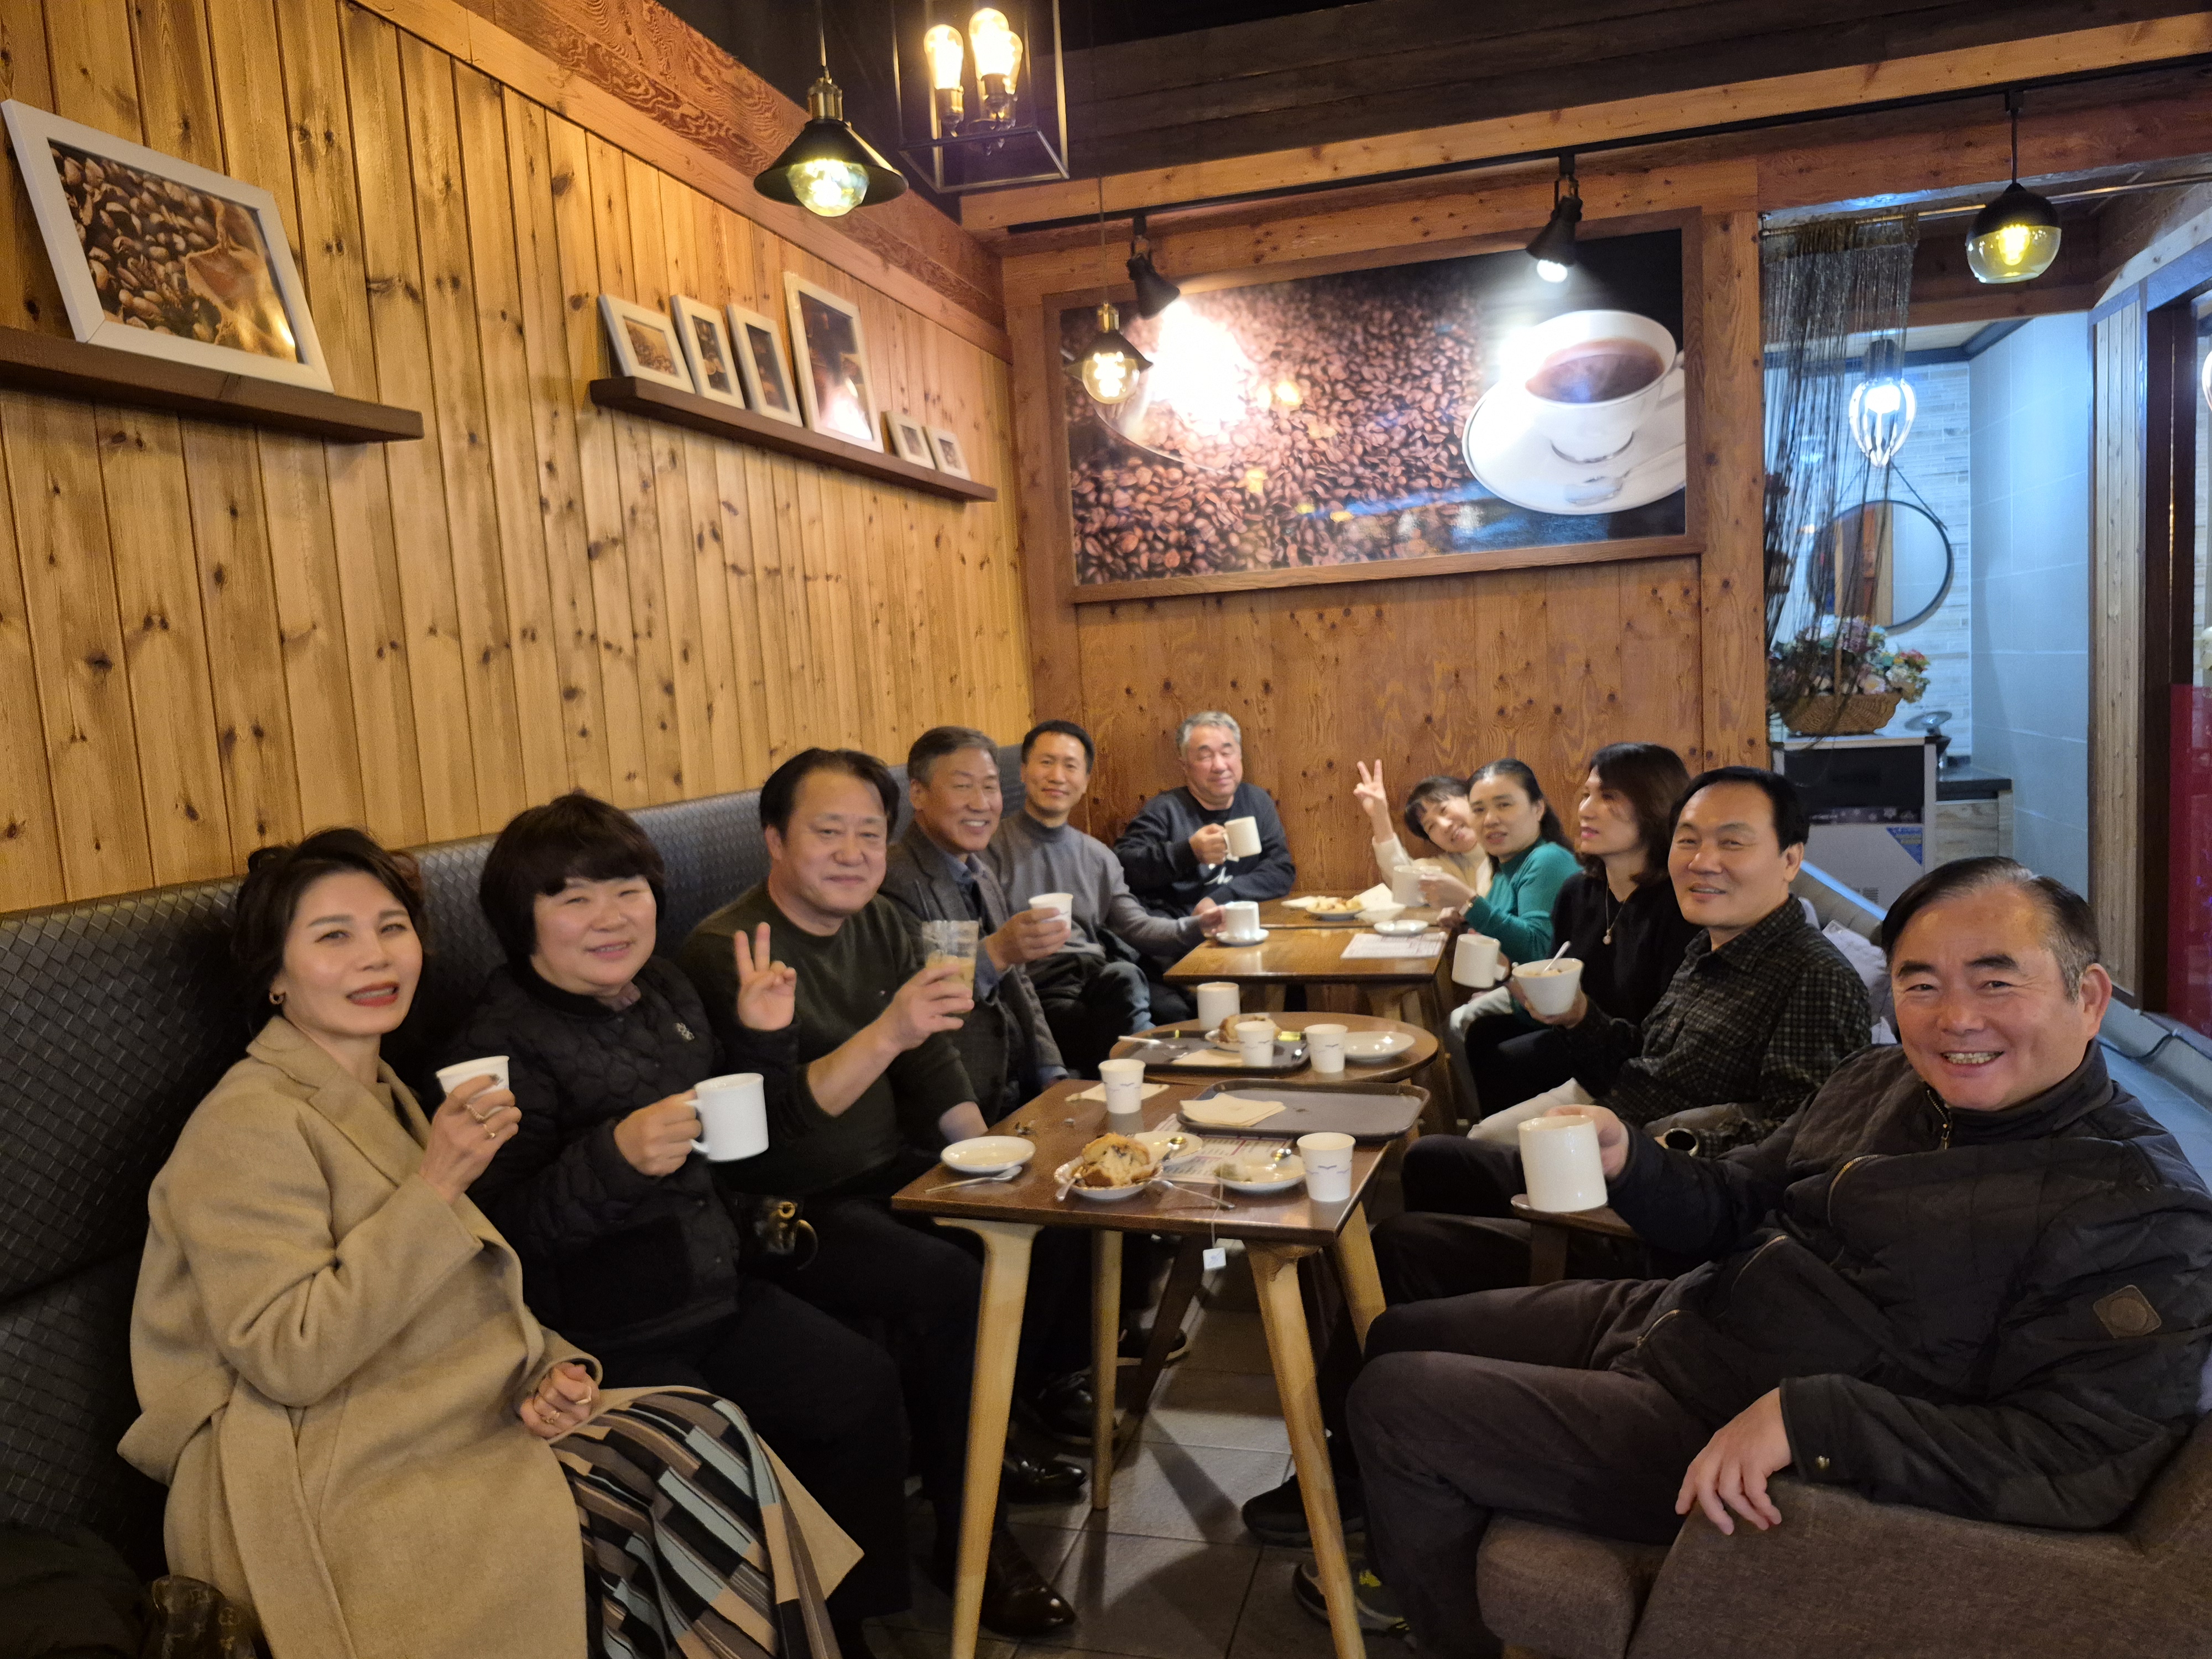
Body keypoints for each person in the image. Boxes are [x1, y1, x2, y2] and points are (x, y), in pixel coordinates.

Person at [1344, 857, 2212, 1657]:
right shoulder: (1881, 1080)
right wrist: (1629, 1159)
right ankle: (1407, 1544)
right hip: (1685, 1317)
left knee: (1399, 1402)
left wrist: (1815, 1420)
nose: (1956, 1018)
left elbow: (2085, 1459)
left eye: (1996, 981)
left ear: (2089, 997)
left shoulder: (2135, 1205)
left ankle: (1449, 1635)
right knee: (1397, 1332)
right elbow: (1734, 1203)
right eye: (1922, 984)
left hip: (1726, 1427)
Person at [122, 830, 847, 1657]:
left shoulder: (387, 1092)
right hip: (323, 1466)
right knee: (680, 1483)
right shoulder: (247, 1123)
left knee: (707, 1434)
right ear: (275, 977)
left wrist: (553, 1370)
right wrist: (437, 1185)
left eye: (391, 928)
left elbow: (470, 1288)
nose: (375, 957)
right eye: (334, 936)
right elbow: (289, 1355)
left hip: (446, 1411)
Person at [445, 792, 1076, 1654]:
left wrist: (761, 1041)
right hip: (604, 1328)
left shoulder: (663, 989)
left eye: (628, 891)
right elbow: (502, 1232)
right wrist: (614, 1158)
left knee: (859, 1386)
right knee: (784, 1404)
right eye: (574, 899)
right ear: (523, 917)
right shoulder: (496, 1047)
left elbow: (740, 1133)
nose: (611, 918)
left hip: (714, 1283)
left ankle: (848, 1622)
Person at [680, 749, 1075, 1639]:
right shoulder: (726, 950)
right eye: (829, 832)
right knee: (951, 1282)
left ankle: (988, 1449)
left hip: (885, 1167)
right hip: (786, 1205)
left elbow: (931, 1058)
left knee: (1043, 1224)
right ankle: (973, 1536)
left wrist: (989, 1158)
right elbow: (770, 1134)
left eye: (869, 833)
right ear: (775, 839)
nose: (855, 853)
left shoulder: (885, 922)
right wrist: (889, 1031)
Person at [1381, 766, 1872, 1300]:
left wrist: (1658, 1149)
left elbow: (1800, 1152)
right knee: (1432, 1159)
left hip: (1662, 1220)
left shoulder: (1814, 977)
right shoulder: (1709, 947)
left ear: (1790, 860)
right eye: (1689, 840)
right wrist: (1578, 1017)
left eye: (1732, 843)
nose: (1702, 861)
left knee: (1401, 1244)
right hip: (1613, 1152)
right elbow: (1641, 1061)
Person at [1455, 744, 1701, 1114]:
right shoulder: (1578, 892)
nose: (1585, 809)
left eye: (1609, 797)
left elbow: (1663, 1047)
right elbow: (1558, 980)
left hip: (1639, 1072)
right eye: (1587, 795)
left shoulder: (1682, 905)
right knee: (1485, 1038)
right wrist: (1525, 986)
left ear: (1655, 804)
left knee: (1495, 1096)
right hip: (1582, 1043)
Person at [990, 719, 1227, 1071]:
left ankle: (1147, 1073)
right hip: (1032, 989)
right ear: (1023, 772)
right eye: (1046, 762)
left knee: (1127, 977)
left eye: (1070, 766)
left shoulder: (1098, 856)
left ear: (1085, 782)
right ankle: (1147, 1073)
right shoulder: (990, 849)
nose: (1057, 776)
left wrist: (1199, 926)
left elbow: (1137, 926)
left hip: (1093, 980)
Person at [879, 726, 1069, 1113]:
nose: (981, 803)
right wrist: (998, 951)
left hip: (1021, 1090)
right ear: (918, 793)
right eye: (963, 787)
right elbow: (924, 997)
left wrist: (1052, 1073)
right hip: (959, 1105)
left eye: (990, 787)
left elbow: (1020, 983)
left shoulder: (979, 870)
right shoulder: (893, 878)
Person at [1115, 711, 1295, 1020]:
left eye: (1227, 752)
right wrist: (1188, 852)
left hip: (1242, 940)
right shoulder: (1166, 810)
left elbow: (1280, 869)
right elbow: (1123, 866)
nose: (1220, 765)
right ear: (1185, 766)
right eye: (1205, 756)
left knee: (1291, 982)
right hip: (1180, 947)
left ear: (1240, 756)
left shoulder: (1256, 802)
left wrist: (1221, 897)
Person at [1350, 763, 1492, 897]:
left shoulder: (1504, 848)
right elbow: (1404, 883)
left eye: (1443, 810)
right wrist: (1380, 816)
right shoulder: (1452, 869)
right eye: (1431, 826)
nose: (1444, 825)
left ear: (1470, 798)